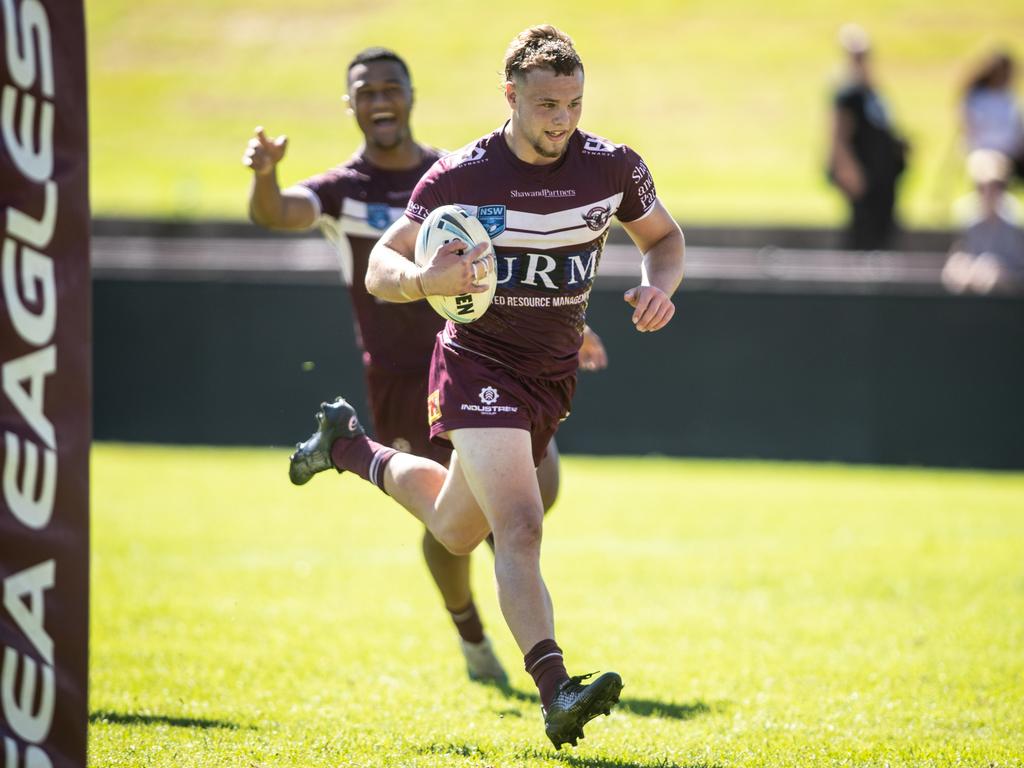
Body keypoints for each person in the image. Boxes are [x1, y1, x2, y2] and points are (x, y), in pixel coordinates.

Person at [288, 26, 685, 749]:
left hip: (550, 378)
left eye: (572, 102)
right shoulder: (462, 175)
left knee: (453, 526)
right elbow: (382, 265)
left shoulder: (613, 167)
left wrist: (659, 287)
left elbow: (664, 238)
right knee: (521, 523)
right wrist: (423, 281)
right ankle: (556, 688)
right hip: (476, 366)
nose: (561, 118)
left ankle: (347, 449)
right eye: (544, 104)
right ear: (510, 97)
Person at [242, 47, 609, 686]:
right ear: (350, 104)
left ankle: (347, 451)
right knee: (463, 527)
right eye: (366, 91)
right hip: (402, 377)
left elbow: (516, 260)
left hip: (491, 363)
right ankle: (474, 634)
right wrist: (267, 177)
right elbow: (277, 214)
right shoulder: (345, 190)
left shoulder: (452, 174)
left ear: (412, 95)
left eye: (392, 88)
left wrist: (569, 323)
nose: (381, 101)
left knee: (526, 501)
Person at [827, 23, 909, 251]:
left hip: (883, 176)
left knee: (884, 229)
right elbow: (837, 135)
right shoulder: (846, 95)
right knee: (862, 231)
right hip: (861, 175)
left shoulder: (874, 92)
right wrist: (846, 168)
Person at [942, 149, 1024, 294]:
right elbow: (958, 257)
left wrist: (999, 273)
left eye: (995, 187)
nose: (988, 193)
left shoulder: (1014, 220)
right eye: (982, 187)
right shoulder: (966, 217)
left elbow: (1018, 269)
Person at [960, 50, 1024, 182]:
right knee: (992, 171)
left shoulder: (1008, 96)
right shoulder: (977, 97)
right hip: (984, 152)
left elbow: (1017, 127)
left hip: (1012, 153)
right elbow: (971, 131)